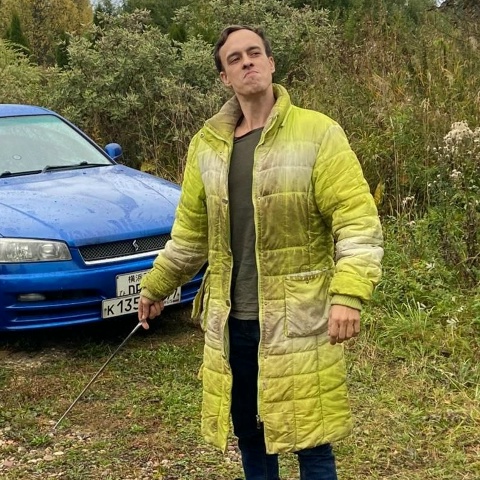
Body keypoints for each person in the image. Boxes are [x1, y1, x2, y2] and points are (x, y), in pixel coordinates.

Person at [138, 25, 383, 480]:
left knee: (311, 440)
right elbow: (190, 236)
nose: (247, 61)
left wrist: (348, 294)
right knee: (250, 435)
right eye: (234, 58)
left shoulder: (318, 133)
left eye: (254, 53)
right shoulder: (206, 146)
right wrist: (156, 286)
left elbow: (356, 222)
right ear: (224, 77)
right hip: (231, 322)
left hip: (299, 320)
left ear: (271, 63)